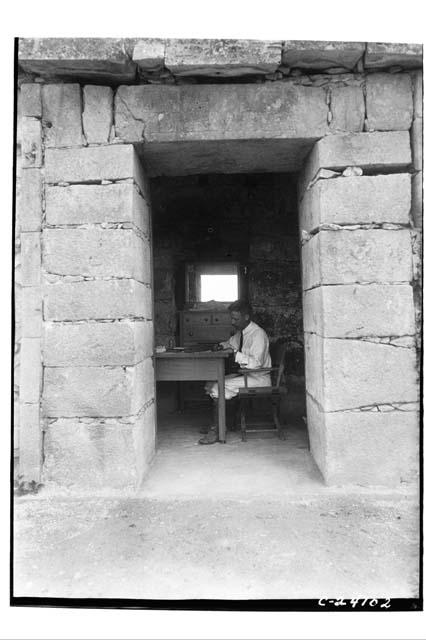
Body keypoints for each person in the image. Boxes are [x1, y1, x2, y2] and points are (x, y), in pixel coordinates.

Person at [199, 299, 272, 445]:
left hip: (259, 377)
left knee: (217, 387)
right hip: (246, 375)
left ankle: (217, 429)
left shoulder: (258, 334)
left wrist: (234, 354)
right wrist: (219, 346)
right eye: (231, 318)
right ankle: (223, 423)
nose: (232, 322)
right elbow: (230, 343)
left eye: (235, 319)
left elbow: (256, 364)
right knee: (210, 384)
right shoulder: (242, 333)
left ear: (246, 317)